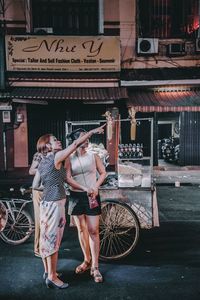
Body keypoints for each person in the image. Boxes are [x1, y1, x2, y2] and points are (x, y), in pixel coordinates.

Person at [32, 124, 105, 289]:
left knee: (46, 238)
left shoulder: (43, 160)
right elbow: (73, 148)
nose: (58, 141)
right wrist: (92, 132)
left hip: (46, 203)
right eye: (55, 140)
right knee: (53, 239)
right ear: (48, 145)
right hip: (57, 204)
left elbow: (36, 184)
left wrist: (51, 186)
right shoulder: (58, 158)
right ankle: (52, 276)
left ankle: (49, 272)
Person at [65, 128, 107, 283]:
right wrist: (83, 188)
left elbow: (103, 173)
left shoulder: (93, 156)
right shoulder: (69, 157)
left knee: (93, 231)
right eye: (83, 137)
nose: (87, 140)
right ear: (76, 141)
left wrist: (95, 186)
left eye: (87, 137)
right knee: (81, 230)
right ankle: (86, 260)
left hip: (92, 195)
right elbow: (68, 178)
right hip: (76, 196)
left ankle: (95, 266)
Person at [29, 148, 48, 257]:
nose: (56, 141)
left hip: (48, 189)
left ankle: (45, 245)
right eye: (53, 140)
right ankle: (37, 249)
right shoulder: (39, 154)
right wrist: (44, 169)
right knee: (39, 220)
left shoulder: (52, 155)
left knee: (47, 220)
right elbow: (31, 170)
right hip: (38, 190)